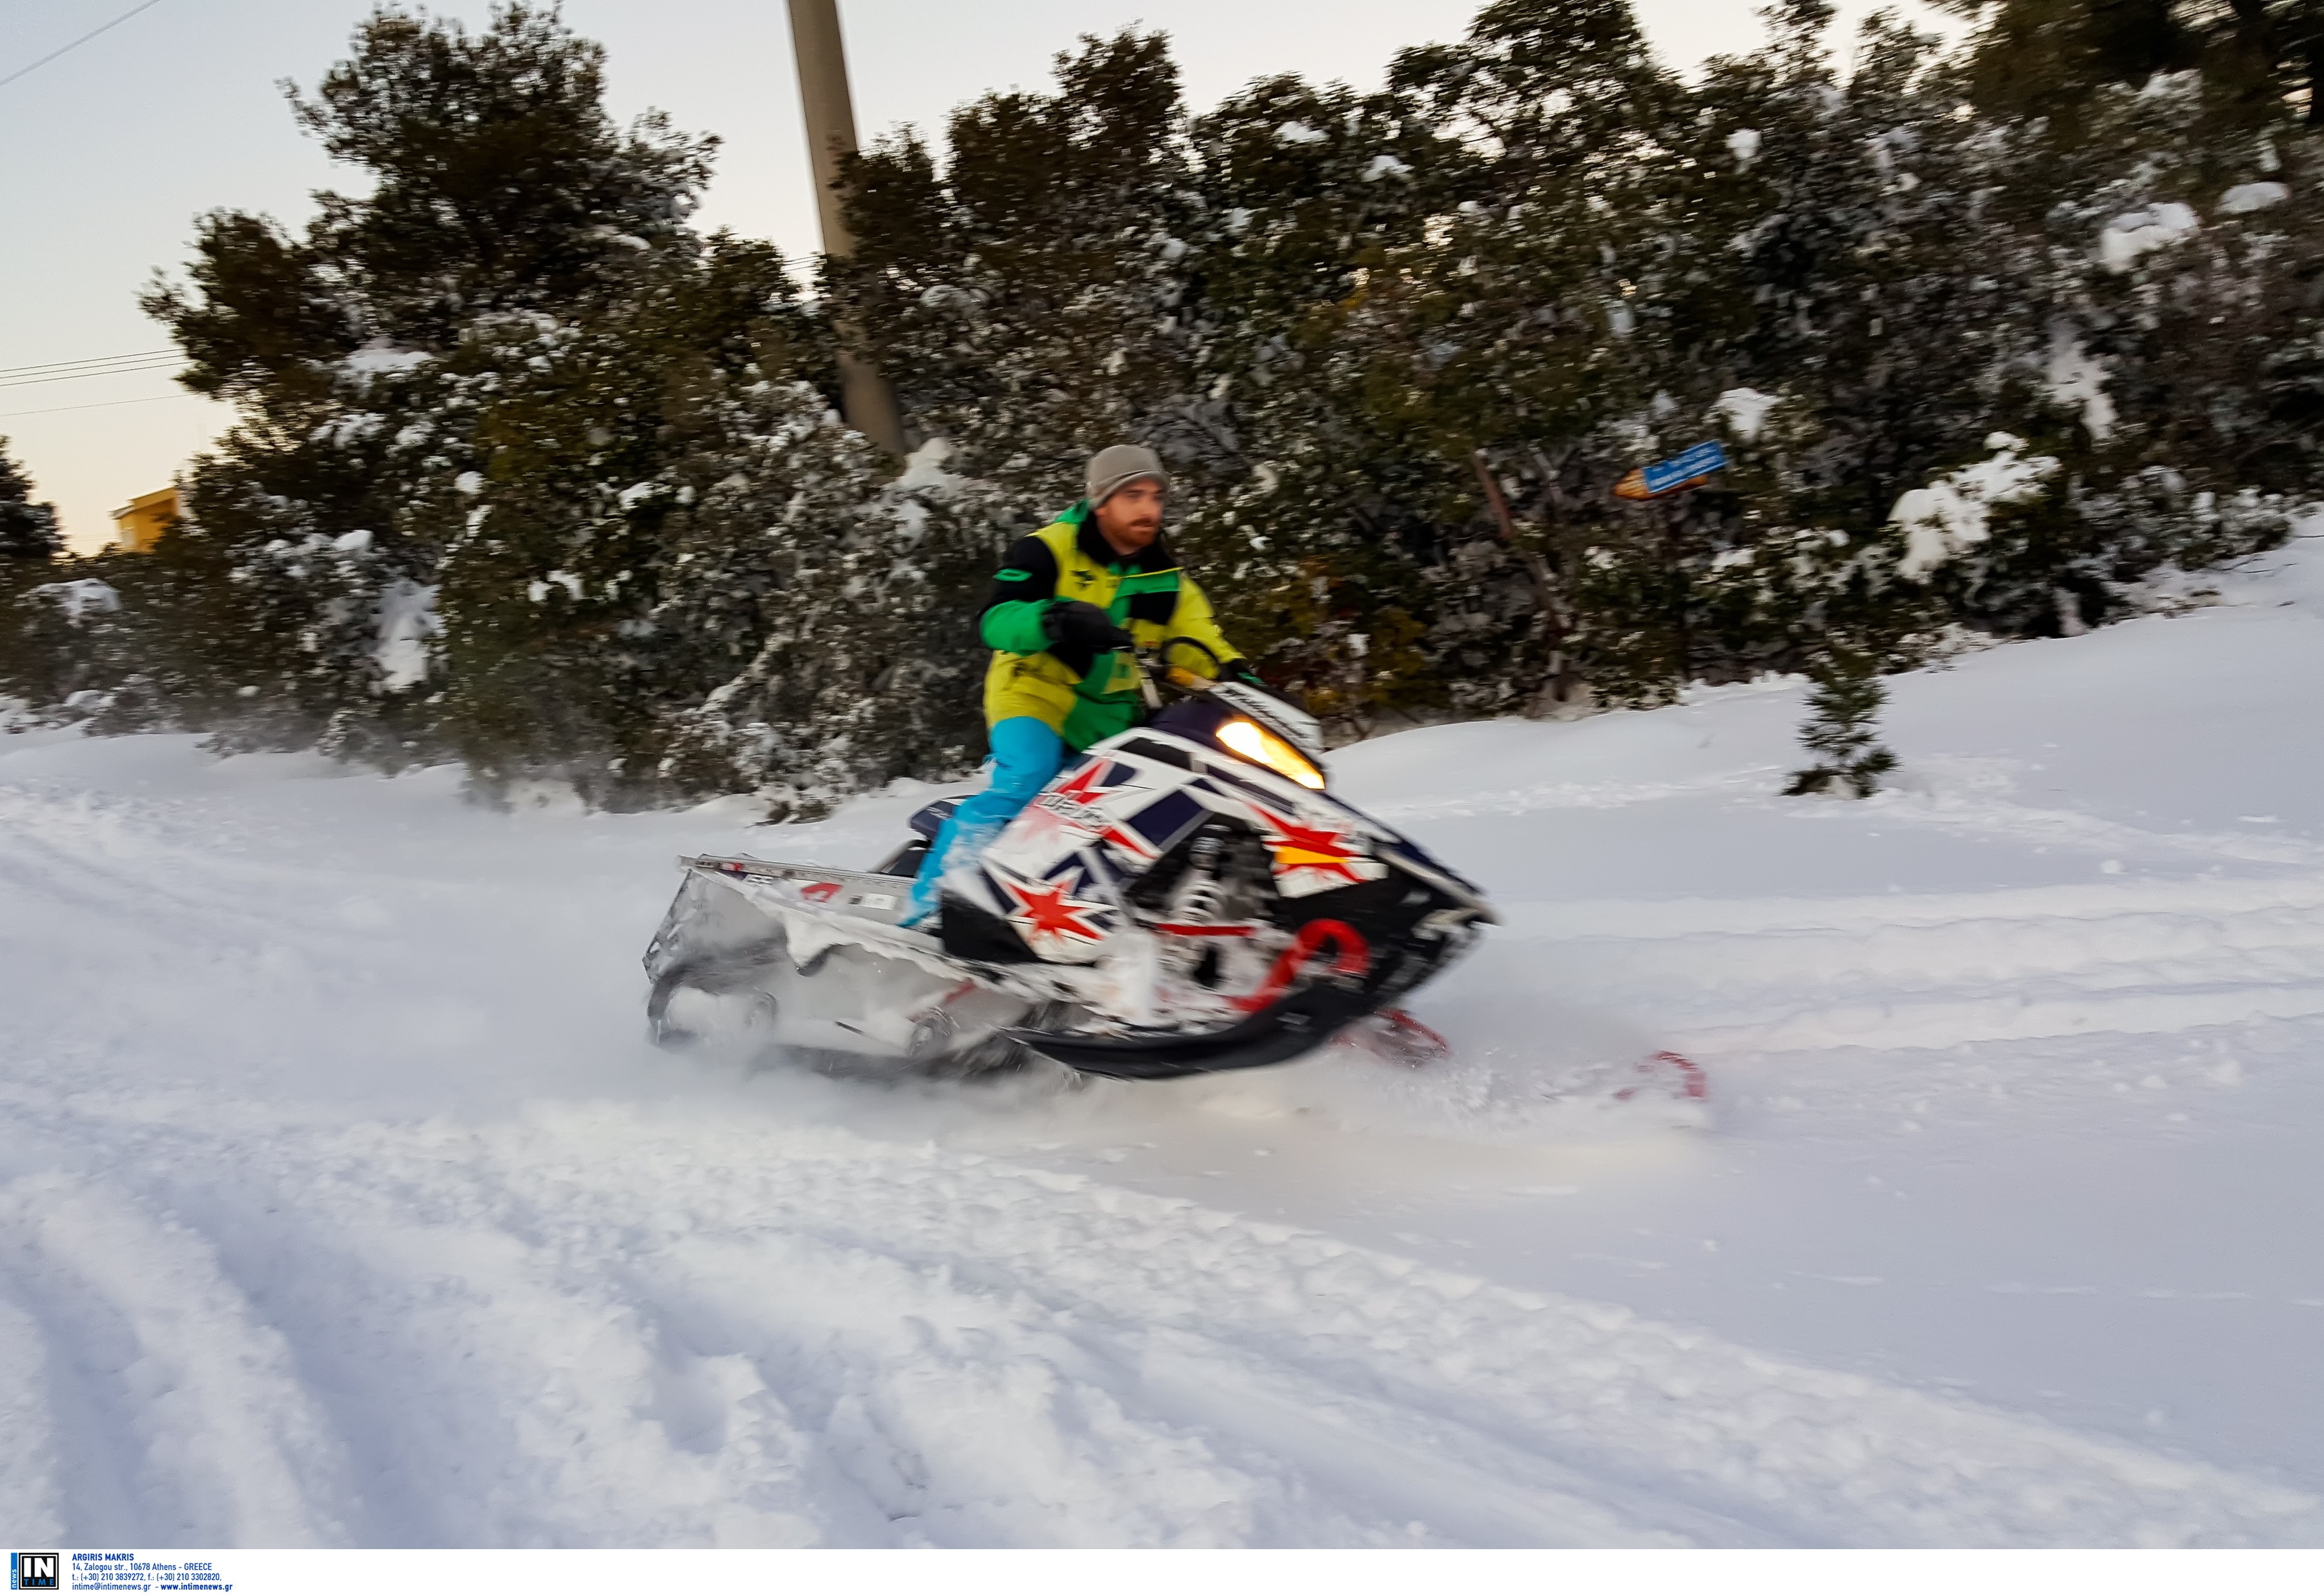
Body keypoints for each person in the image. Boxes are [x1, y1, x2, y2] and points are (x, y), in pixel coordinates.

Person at [906, 443, 1255, 925]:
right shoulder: (1047, 549)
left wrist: (1240, 677)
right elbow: (996, 619)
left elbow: (1201, 639)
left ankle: (1087, 922)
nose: (1148, 508)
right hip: (1033, 693)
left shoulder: (1166, 578)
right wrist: (1053, 619)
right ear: (1100, 498)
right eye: (1133, 495)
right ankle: (938, 902)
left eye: (1156, 496)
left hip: (1109, 718)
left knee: (1138, 810)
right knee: (1031, 772)